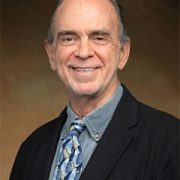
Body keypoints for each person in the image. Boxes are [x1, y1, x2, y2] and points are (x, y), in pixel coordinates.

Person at [10, 0, 179, 180]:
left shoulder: (171, 143)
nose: (83, 52)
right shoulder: (31, 149)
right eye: (69, 38)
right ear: (51, 53)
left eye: (99, 37)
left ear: (123, 52)